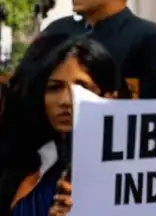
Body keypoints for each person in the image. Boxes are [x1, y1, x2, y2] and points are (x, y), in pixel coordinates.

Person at [0, 35, 122, 216]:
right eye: (54, 88)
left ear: (108, 96)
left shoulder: (122, 172)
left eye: (82, 88)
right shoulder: (26, 163)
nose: (66, 101)